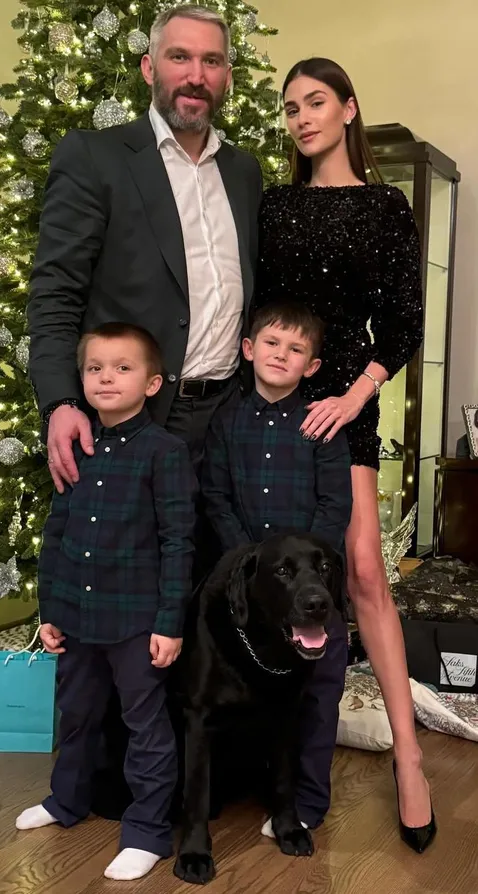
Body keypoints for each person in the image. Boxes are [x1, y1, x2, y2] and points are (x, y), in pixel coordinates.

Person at [255, 57, 436, 853]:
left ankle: (409, 757)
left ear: (349, 109)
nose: (301, 117)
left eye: (316, 101)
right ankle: (274, 761)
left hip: (346, 404)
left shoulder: (386, 206)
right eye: (290, 106)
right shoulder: (273, 204)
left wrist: (358, 395)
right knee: (267, 567)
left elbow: (402, 322)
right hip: (274, 400)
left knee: (362, 572)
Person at [27, 4, 262, 482]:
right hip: (134, 420)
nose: (196, 76)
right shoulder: (96, 157)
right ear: (149, 68)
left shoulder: (244, 171)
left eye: (212, 61)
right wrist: (60, 402)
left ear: (227, 77)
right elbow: (56, 291)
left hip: (231, 419)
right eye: (180, 57)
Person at [15, 323, 198, 882]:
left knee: (145, 726)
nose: (106, 378)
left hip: (136, 622)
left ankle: (147, 832)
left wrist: (169, 623)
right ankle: (66, 800)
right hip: (77, 617)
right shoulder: (76, 448)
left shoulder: (165, 453)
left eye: (122, 368)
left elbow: (178, 542)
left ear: (152, 383)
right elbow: (56, 533)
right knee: (75, 714)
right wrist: (51, 611)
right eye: (95, 368)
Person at [202, 301, 352, 831]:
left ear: (311, 366)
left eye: (295, 349)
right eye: (271, 343)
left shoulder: (322, 424)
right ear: (248, 349)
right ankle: (248, 786)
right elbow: (215, 495)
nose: (281, 355)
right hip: (255, 590)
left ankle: (307, 803)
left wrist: (311, 572)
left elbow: (334, 506)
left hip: (313, 591)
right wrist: (249, 565)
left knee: (319, 694)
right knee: (254, 691)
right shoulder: (226, 420)